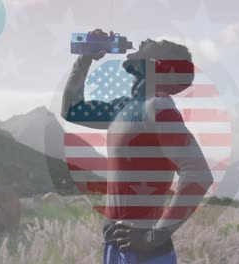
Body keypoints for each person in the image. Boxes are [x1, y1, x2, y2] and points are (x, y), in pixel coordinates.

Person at [61, 29, 213, 264]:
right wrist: (85, 58)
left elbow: (199, 174)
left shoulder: (158, 107)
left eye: (156, 42)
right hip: (116, 244)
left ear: (163, 65)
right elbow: (72, 110)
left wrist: (155, 236)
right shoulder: (123, 107)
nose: (145, 40)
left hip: (144, 252)